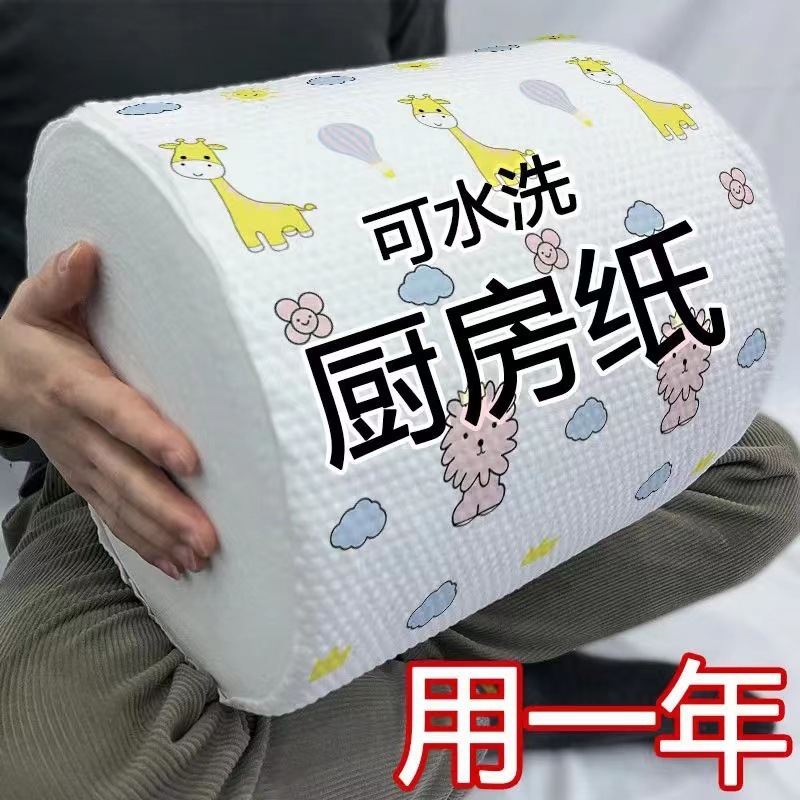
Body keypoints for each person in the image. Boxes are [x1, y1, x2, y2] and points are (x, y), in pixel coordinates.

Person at [1, 4, 799, 798]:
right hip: (130, 484)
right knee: (67, 773)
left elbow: (417, 169)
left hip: (401, 408)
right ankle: (456, 691)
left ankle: (395, 684)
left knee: (761, 474)